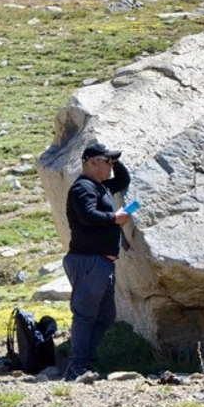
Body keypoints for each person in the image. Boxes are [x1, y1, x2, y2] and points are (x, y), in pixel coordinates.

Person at [63, 141, 132, 381]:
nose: (110, 166)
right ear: (92, 162)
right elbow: (87, 216)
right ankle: (77, 367)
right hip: (88, 261)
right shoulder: (82, 187)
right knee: (85, 315)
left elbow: (123, 180)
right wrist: (114, 218)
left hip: (100, 263)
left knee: (105, 316)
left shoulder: (100, 186)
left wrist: (116, 160)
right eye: (107, 162)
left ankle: (84, 362)